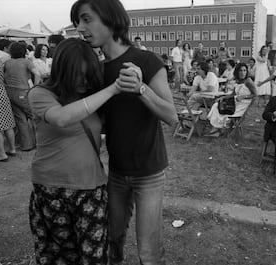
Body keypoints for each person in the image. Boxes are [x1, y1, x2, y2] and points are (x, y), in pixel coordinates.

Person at [71, 1, 178, 265]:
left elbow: (171, 117)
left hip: (149, 173)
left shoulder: (146, 60)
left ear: (110, 18)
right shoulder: (96, 70)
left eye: (86, 19)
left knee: (149, 252)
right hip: (116, 172)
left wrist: (141, 88)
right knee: (112, 238)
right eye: (77, 22)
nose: (80, 28)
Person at [28, 38, 128, 265]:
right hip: (51, 189)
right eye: (78, 74)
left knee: (93, 256)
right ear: (62, 70)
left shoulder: (92, 97)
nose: (84, 81)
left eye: (88, 75)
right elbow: (62, 118)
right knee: (59, 257)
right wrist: (112, 89)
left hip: (90, 188)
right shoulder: (41, 94)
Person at [4, 42, 40, 151]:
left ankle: (27, 145)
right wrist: (35, 87)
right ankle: (40, 143)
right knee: (35, 117)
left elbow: (3, 77)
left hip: (10, 93)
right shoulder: (27, 62)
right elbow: (37, 74)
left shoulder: (7, 63)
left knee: (20, 119)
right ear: (24, 51)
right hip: (23, 92)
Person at [206, 62, 257, 136]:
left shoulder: (248, 81)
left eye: (244, 70)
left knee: (223, 109)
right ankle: (216, 129)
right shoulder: (237, 81)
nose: (243, 73)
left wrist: (243, 96)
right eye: (241, 71)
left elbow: (255, 94)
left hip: (243, 105)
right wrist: (222, 97)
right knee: (216, 105)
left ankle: (217, 130)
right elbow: (233, 94)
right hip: (236, 102)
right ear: (237, 72)